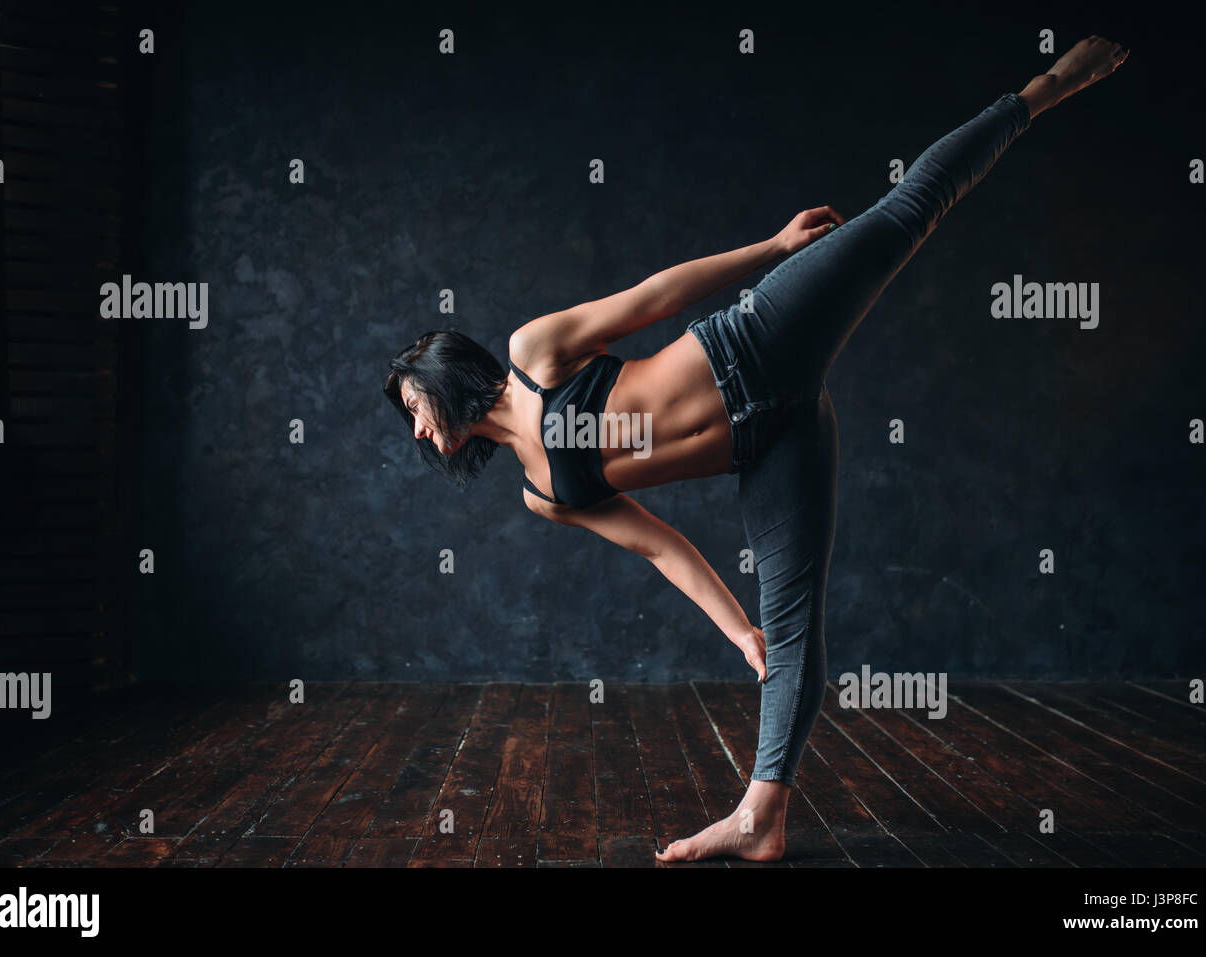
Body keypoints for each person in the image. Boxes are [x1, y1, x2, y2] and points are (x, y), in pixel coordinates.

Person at [386, 36, 1129, 862]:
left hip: (756, 342)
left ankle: (1043, 89)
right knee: (788, 625)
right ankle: (760, 818)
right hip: (774, 440)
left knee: (905, 213)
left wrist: (772, 251)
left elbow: (653, 295)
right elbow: (660, 547)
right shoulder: (542, 492)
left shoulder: (535, 353)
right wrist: (736, 628)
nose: (419, 431)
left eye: (414, 405)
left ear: (441, 372)